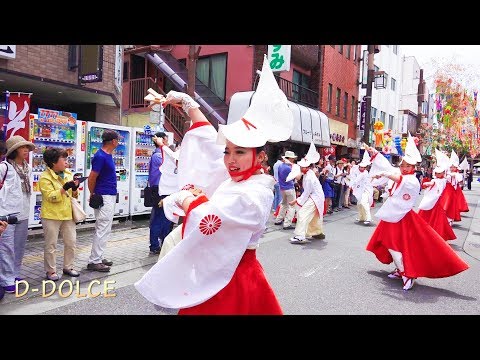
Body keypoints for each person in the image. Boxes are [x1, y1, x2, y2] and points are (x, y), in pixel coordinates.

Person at [135, 55, 291, 314]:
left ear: (260, 156)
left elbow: (212, 219)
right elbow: (208, 140)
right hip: (218, 269)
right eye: (227, 152)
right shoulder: (238, 176)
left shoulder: (257, 192)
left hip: (235, 277)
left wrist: (187, 199)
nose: (230, 160)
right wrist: (187, 102)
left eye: (239, 152)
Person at [365, 134, 469, 291]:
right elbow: (389, 169)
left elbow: (397, 178)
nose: (404, 168)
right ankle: (401, 271)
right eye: (403, 165)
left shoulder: (412, 179)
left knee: (396, 245)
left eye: (408, 166)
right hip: (394, 216)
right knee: (393, 244)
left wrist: (386, 174)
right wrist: (374, 152)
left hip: (401, 217)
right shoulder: (404, 175)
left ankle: (408, 273)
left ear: (413, 167)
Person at [39, 147, 81, 280]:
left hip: (68, 214)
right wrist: (64, 188)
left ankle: (68, 267)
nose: (66, 161)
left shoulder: (68, 173)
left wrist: (75, 189)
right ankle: (50, 271)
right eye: (63, 159)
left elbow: (74, 195)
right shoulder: (45, 177)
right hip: (51, 215)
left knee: (71, 242)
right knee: (51, 244)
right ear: (53, 162)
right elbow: (50, 196)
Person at [0, 135, 34, 294]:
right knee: (6, 247)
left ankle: (14, 274)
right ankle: (6, 279)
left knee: (19, 246)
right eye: (22, 147)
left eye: (27, 147)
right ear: (14, 151)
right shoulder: (4, 167)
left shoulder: (28, 168)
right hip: (6, 213)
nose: (26, 150)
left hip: (24, 212)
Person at [86, 129, 119, 272]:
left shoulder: (107, 155)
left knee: (105, 228)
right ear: (113, 141)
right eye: (117, 139)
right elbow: (92, 177)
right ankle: (94, 260)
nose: (118, 142)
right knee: (102, 227)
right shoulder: (101, 156)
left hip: (108, 195)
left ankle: (98, 256)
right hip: (104, 195)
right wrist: (93, 193)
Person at [288, 143, 325, 243]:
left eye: (302, 167)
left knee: (302, 213)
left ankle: (300, 236)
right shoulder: (308, 173)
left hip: (315, 197)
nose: (300, 168)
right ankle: (316, 232)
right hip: (316, 197)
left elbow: (306, 193)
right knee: (312, 216)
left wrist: (296, 201)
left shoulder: (309, 177)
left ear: (307, 167)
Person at [417, 149, 456, 241]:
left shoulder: (440, 180)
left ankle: (437, 233)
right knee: (432, 216)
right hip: (432, 200)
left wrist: (427, 184)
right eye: (437, 173)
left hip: (435, 201)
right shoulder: (441, 180)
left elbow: (434, 184)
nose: (438, 174)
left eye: (440, 172)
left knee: (436, 217)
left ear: (443, 172)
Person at [147, 131, 174, 255]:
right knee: (160, 218)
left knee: (164, 218)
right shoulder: (159, 156)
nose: (168, 141)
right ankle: (155, 245)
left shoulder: (158, 154)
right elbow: (173, 162)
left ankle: (162, 243)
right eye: (166, 139)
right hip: (160, 190)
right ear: (162, 140)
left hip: (162, 189)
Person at [274, 150, 298, 230]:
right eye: (292, 158)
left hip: (282, 188)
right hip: (289, 188)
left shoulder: (281, 166)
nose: (293, 160)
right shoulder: (289, 168)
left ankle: (279, 219)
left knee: (284, 204)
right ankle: (287, 223)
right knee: (292, 206)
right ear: (290, 158)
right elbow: (296, 177)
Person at [350, 150, 373, 225]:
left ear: (365, 168)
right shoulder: (356, 169)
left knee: (364, 203)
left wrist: (351, 185)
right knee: (359, 204)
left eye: (363, 167)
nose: (361, 168)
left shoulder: (365, 173)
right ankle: (361, 217)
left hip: (366, 190)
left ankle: (368, 218)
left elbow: (357, 180)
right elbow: (353, 174)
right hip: (360, 190)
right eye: (360, 167)